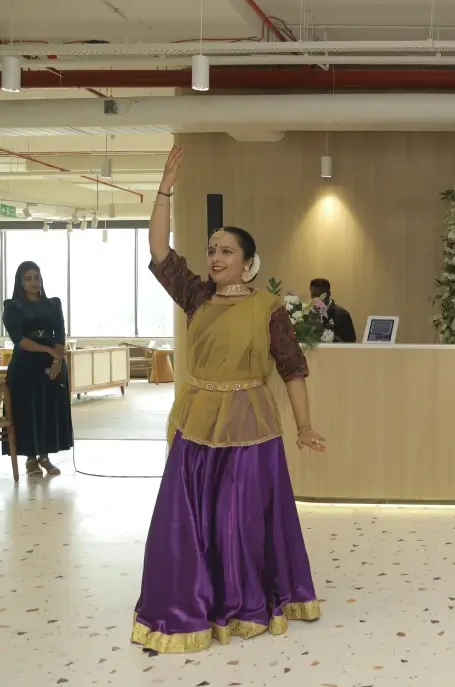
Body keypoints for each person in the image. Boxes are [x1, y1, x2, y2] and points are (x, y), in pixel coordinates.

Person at [132, 144, 327, 654]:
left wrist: (304, 426)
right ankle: (192, 603)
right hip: (198, 421)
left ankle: (246, 602)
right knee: (187, 519)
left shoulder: (268, 308)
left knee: (238, 522)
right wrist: (164, 191)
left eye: (226, 251)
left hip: (251, 425)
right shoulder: (197, 296)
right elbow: (158, 251)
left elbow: (292, 370)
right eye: (212, 249)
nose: (215, 257)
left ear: (247, 263)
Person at [1, 261, 73, 477]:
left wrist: (57, 361)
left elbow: (59, 334)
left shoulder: (53, 304)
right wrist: (49, 352)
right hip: (25, 367)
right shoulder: (12, 306)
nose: (34, 283)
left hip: (53, 366)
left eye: (37, 277)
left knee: (49, 411)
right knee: (27, 410)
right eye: (28, 278)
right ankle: (30, 459)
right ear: (20, 282)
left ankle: (45, 457)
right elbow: (19, 339)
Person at [309, 278, 357, 343]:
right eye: (314, 295)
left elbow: (350, 342)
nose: (317, 299)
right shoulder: (306, 314)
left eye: (321, 295)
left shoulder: (342, 315)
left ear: (329, 293)